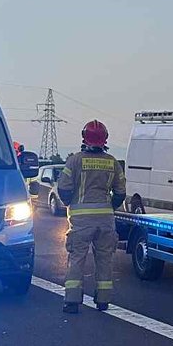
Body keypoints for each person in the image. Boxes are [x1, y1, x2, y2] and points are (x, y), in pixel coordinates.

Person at [57, 120, 126, 314]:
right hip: (106, 220)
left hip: (81, 221)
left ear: (84, 137)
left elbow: (64, 188)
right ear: (105, 139)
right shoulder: (112, 162)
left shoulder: (75, 161)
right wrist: (109, 207)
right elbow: (120, 192)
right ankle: (103, 300)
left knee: (77, 258)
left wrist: (70, 203)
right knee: (105, 259)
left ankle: (72, 301)